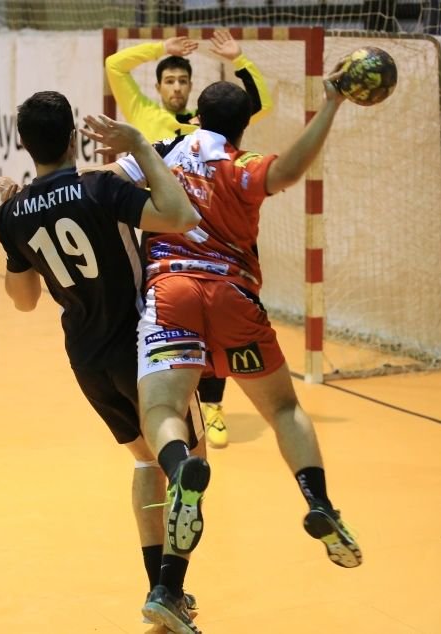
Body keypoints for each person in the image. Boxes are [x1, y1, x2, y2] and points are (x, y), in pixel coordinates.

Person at [112, 76, 364, 632]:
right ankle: (318, 501)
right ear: (245, 124)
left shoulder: (164, 154)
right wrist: (332, 103)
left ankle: (180, 470)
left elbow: (101, 190)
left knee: (163, 412)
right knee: (282, 410)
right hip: (234, 298)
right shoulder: (240, 165)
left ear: (195, 115)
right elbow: (289, 170)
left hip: (173, 292)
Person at [0, 91, 205, 631]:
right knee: (185, 459)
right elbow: (179, 214)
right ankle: (170, 586)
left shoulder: (12, 212)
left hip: (86, 358)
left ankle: (159, 592)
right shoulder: (100, 187)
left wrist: (14, 226)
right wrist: (138, 148)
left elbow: (23, 299)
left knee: (142, 463)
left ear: (23, 143)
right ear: (74, 138)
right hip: (141, 344)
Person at [106, 28, 273, 449]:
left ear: (192, 89)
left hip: (217, 236)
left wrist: (240, 59)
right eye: (170, 81)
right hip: (167, 241)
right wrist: (162, 49)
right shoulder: (145, 115)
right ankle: (171, 403)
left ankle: (213, 406)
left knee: (221, 323)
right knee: (169, 324)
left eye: (183, 81)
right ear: (159, 87)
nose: (177, 87)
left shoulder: (207, 124)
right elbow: (114, 65)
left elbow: (261, 104)